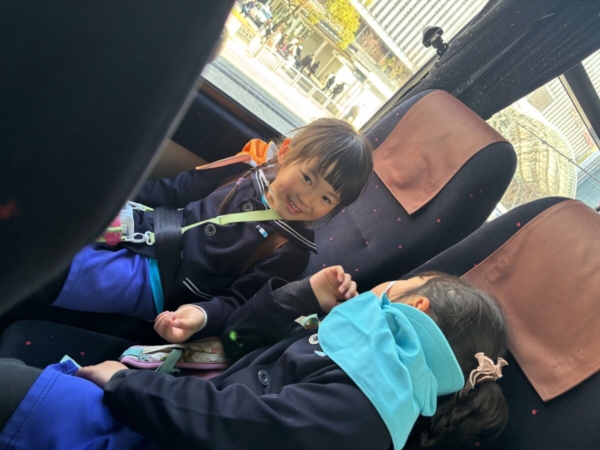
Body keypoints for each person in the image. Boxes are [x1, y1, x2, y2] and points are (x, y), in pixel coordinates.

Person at [0, 271, 509, 449]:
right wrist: (301, 297)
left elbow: (233, 424)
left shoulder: (367, 414)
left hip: (154, 426)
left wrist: (123, 385)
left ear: (414, 308)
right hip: (164, 407)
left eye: (396, 283)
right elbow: (237, 341)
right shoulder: (348, 346)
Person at [32, 118, 373, 341]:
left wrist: (200, 314)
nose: (307, 199)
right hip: (143, 224)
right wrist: (119, 193)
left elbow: (238, 302)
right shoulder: (248, 168)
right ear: (286, 153)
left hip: (156, 283)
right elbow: (179, 189)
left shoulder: (289, 249)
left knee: (52, 270)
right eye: (308, 178)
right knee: (51, 214)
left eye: (326, 198)